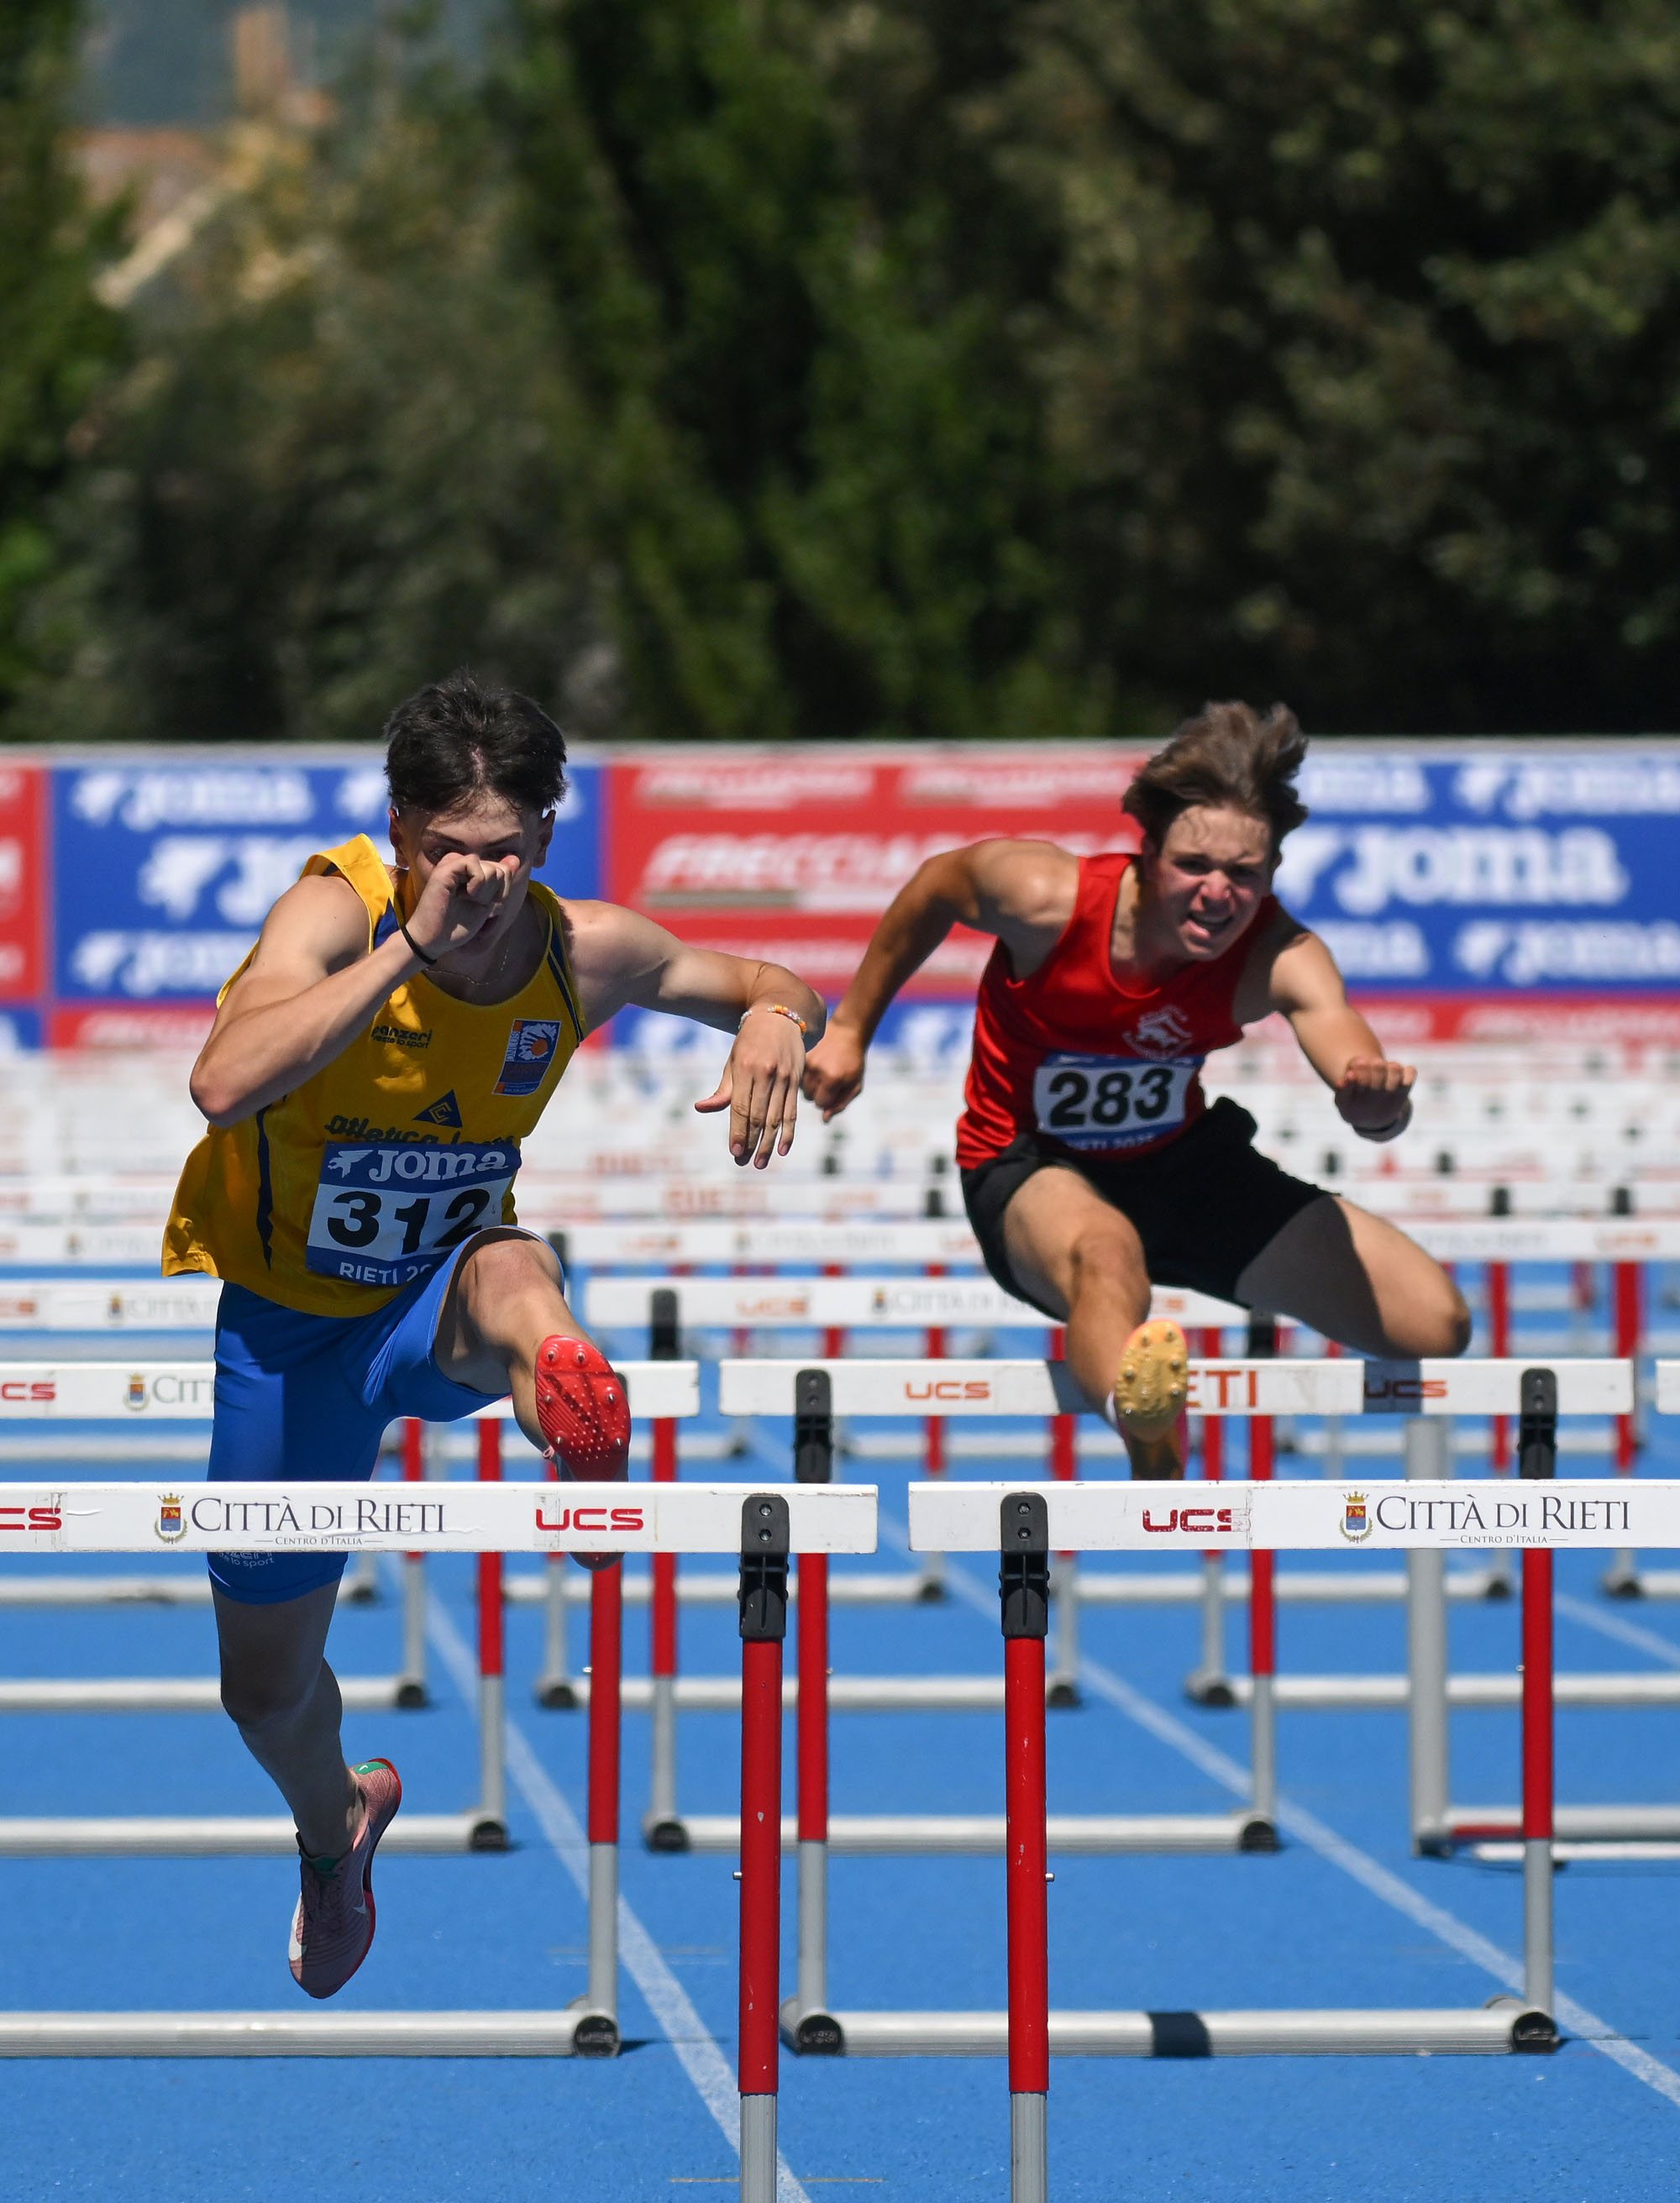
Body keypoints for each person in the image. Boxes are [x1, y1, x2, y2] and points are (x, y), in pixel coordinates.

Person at [167, 669, 823, 1999]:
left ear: (548, 835)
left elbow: (774, 980)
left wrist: (775, 1020)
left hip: (441, 1292)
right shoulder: (335, 912)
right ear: (399, 831)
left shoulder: (584, 951)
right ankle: (336, 1824)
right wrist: (408, 948)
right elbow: (222, 1082)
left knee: (519, 1274)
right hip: (290, 1330)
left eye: (508, 851)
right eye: (451, 850)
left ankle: (569, 1412)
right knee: (265, 1696)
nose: (479, 878)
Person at [802, 700, 1467, 1473]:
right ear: (1148, 853)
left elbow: (1349, 1051)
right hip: (1030, 1162)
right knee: (1107, 1252)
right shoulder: (1044, 897)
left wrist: (1377, 1110)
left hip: (1180, 1169)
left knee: (1435, 1323)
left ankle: (1145, 1378)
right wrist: (852, 1028)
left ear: (1271, 876)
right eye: (1194, 866)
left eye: (1244, 875)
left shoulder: (1280, 954)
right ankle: (1145, 1428)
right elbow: (935, 887)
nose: (1217, 894)